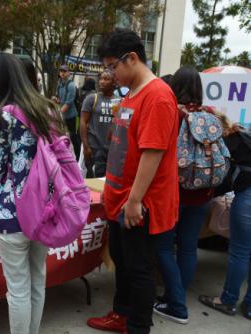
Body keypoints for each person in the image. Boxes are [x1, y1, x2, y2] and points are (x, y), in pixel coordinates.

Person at [87, 29, 179, 334]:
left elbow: (153, 153)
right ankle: (121, 314)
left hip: (139, 202)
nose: (111, 73)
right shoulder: (132, 95)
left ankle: (138, 326)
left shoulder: (158, 96)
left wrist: (136, 200)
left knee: (139, 269)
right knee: (122, 262)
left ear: (133, 59)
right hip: (119, 196)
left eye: (113, 66)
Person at [0, 53, 65, 334]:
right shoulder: (50, 110)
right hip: (47, 208)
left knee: (17, 289)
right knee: (37, 279)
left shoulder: (6, 115)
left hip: (13, 211)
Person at [152, 66, 216, 324]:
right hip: (203, 192)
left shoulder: (173, 113)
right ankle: (175, 294)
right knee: (188, 248)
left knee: (163, 247)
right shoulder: (208, 114)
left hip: (175, 193)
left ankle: (176, 303)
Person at [199, 113, 251, 321]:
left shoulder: (233, 141)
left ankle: (228, 301)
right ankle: (249, 307)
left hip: (247, 199)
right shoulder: (243, 135)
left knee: (240, 252)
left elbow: (222, 176)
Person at [80, 70, 120, 178]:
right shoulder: (92, 98)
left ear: (114, 82)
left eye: (106, 79)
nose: (102, 82)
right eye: (101, 79)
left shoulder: (119, 101)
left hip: (111, 150)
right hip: (94, 148)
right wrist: (85, 146)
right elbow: (83, 121)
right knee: (94, 179)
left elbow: (121, 125)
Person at [56, 64, 81, 158]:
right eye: (61, 71)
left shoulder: (71, 85)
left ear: (68, 73)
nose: (62, 73)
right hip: (63, 115)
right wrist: (56, 100)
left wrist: (57, 114)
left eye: (64, 71)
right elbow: (59, 98)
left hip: (71, 116)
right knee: (61, 136)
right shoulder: (59, 83)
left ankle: (78, 158)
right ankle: (64, 156)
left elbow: (69, 103)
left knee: (73, 137)